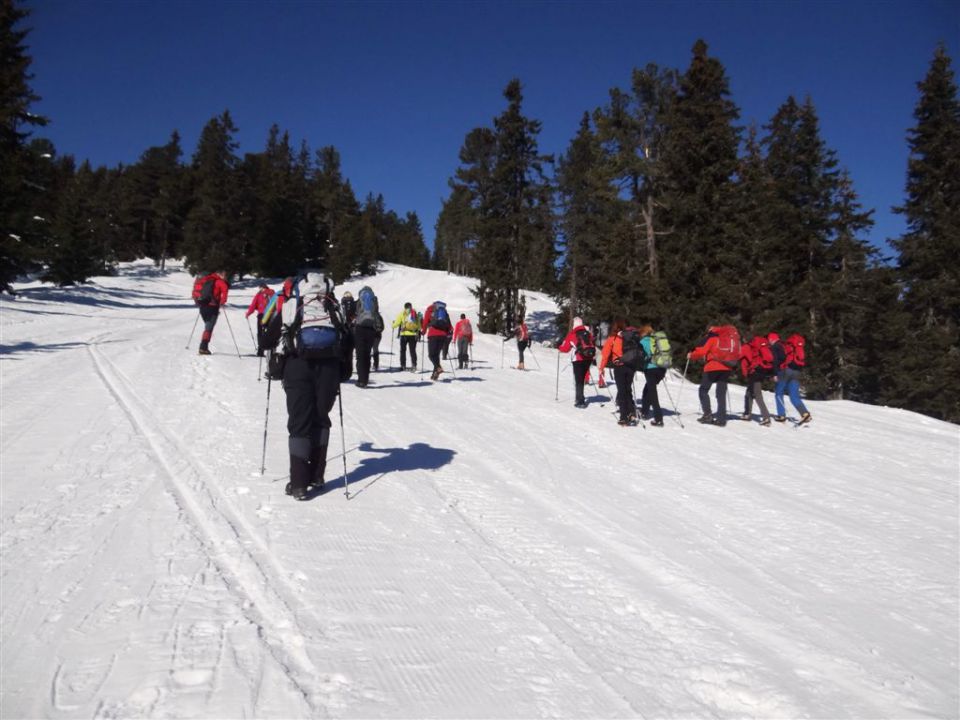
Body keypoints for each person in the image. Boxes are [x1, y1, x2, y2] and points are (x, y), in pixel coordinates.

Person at [277, 272, 346, 501]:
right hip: (328, 369)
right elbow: (347, 338)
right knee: (321, 418)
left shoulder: (292, 305)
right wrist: (344, 370)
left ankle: (298, 484)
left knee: (299, 423)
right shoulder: (334, 307)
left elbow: (271, 338)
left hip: (297, 366)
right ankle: (317, 477)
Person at [687, 325, 738, 426]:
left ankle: (707, 415)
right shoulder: (728, 340)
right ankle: (721, 419)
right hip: (726, 368)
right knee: (721, 394)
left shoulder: (712, 339)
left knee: (703, 390)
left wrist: (691, 355)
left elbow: (701, 351)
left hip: (712, 367)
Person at [598, 318, 637, 426]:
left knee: (622, 391)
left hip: (619, 366)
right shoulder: (631, 336)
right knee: (628, 390)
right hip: (631, 366)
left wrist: (601, 368)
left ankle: (624, 417)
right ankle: (632, 413)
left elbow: (605, 354)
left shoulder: (613, 338)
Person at [769, 332, 812, 424]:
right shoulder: (789, 346)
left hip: (786, 370)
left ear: (771, 339)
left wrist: (775, 374)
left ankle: (781, 415)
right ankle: (805, 413)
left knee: (779, 393)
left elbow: (775, 361)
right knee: (794, 395)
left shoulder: (775, 347)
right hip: (797, 371)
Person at [558, 317, 595, 408]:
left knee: (579, 380)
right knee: (581, 378)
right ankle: (580, 397)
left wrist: (559, 347)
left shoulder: (572, 334)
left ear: (574, 324)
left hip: (578, 359)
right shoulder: (587, 333)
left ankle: (580, 401)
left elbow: (566, 348)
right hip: (588, 358)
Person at [192, 270, 229, 355]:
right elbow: (225, 290)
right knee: (209, 328)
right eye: (224, 275)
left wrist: (197, 302)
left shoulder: (205, 280)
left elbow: (197, 291)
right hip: (212, 307)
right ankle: (203, 348)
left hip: (202, 307)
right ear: (221, 274)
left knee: (208, 326)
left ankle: (204, 347)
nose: (225, 277)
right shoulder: (219, 281)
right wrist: (223, 302)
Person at [740, 335, 773, 425]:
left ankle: (766, 417)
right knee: (749, 393)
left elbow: (737, 357)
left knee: (757, 395)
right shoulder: (756, 347)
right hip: (761, 371)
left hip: (753, 372)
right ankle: (747, 413)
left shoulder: (745, 347)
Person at [352, 285, 380, 388]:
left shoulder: (360, 300)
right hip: (371, 329)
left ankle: (361, 380)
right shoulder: (374, 300)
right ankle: (366, 380)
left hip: (360, 328)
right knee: (367, 355)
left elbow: (354, 312)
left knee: (360, 355)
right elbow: (376, 313)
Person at [638, 325, 666, 426]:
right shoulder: (658, 340)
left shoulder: (643, 342)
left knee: (652, 393)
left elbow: (640, 355)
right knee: (647, 390)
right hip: (662, 369)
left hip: (651, 369)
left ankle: (658, 418)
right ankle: (644, 412)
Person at [421, 300, 452, 380]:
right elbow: (450, 326)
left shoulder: (430, 310)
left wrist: (423, 331)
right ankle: (435, 375)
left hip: (433, 335)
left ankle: (438, 368)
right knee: (436, 355)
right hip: (443, 336)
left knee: (431, 355)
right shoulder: (444, 312)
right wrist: (448, 333)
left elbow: (425, 322)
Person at [245, 282, 275, 356]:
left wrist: (248, 313)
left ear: (262, 287)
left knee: (260, 332)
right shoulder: (272, 293)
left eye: (261, 288)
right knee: (269, 332)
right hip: (270, 315)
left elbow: (253, 304)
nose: (260, 289)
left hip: (261, 315)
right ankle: (270, 349)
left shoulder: (259, 294)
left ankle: (260, 350)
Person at [392, 302, 420, 372]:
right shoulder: (415, 314)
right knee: (412, 351)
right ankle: (414, 365)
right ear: (411, 307)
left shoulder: (402, 313)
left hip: (404, 334)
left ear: (405, 307)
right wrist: (418, 331)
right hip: (413, 335)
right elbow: (419, 326)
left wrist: (393, 325)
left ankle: (403, 365)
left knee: (403, 351)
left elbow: (396, 324)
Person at [339, 290, 356, 379]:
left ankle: (343, 371)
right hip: (353, 328)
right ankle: (349, 370)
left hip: (344, 329)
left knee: (343, 350)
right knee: (350, 351)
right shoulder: (354, 303)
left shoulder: (342, 303)